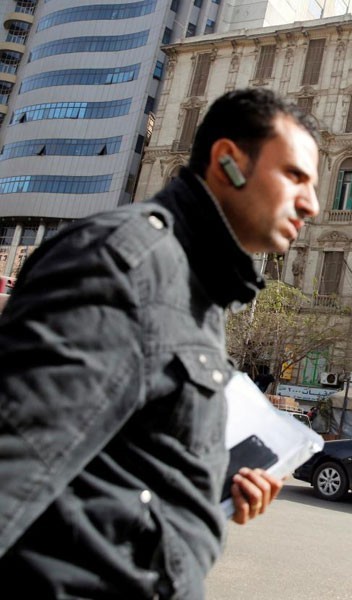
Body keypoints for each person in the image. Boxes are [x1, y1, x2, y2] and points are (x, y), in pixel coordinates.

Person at [0, 88, 321, 597]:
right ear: (228, 162)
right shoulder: (126, 265)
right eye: (295, 176)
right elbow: (17, 460)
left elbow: (130, 470)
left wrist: (209, 490)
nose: (312, 204)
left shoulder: (198, 291)